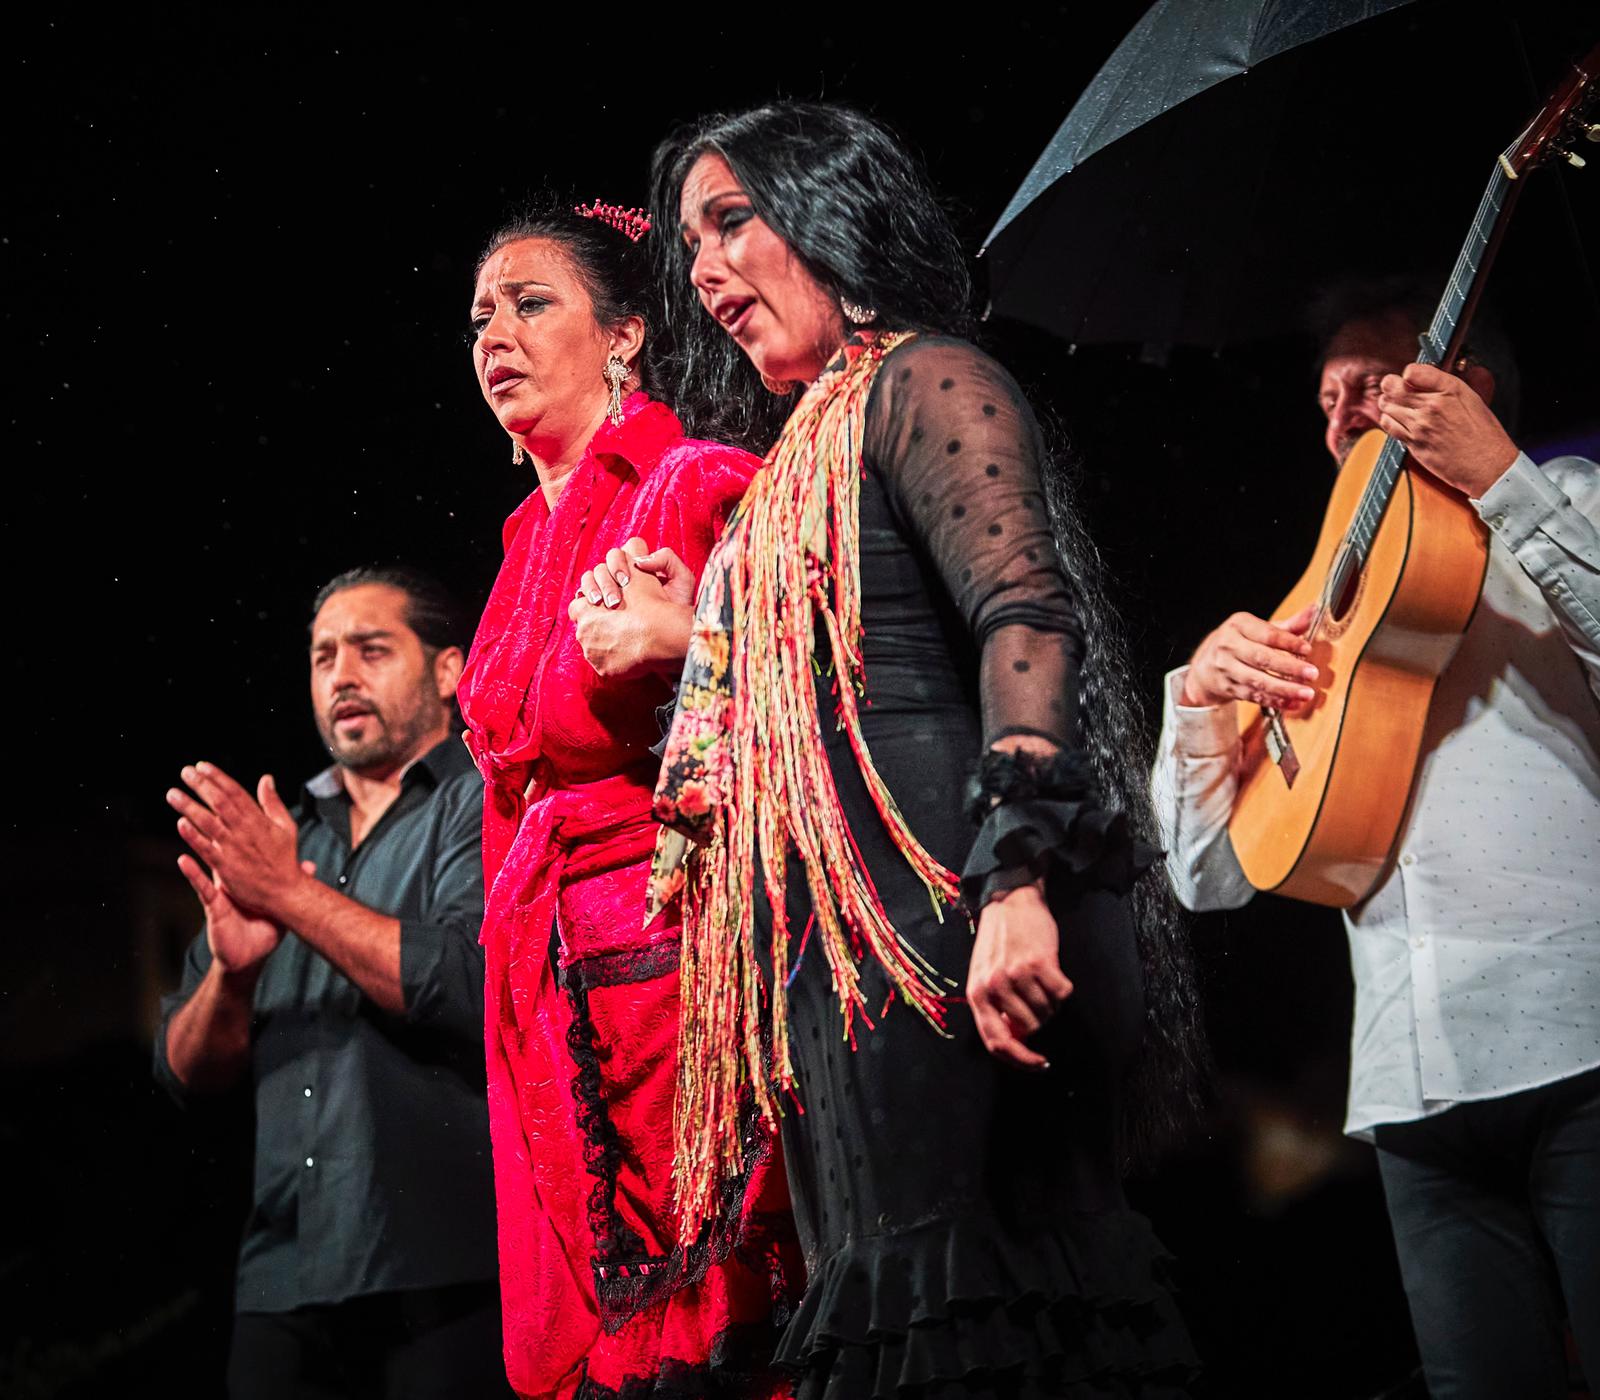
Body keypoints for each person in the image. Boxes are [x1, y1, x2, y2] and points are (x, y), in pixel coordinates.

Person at [626, 103, 1203, 1399]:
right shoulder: (800, 454)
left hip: (968, 920)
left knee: (986, 1324)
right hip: (861, 954)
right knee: (904, 1323)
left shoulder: (925, 379)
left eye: (734, 221)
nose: (706, 269)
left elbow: (1025, 616)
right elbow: (815, 682)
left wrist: (1015, 888)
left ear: (836, 214)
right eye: (691, 243)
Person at [1152, 286, 1600, 1399]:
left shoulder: (1574, 502)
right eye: (1323, 399)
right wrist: (1198, 702)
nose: (1339, 418)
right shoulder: (1317, 607)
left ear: (1462, 386)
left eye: (1367, 385)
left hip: (1581, 1043)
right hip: (1409, 1095)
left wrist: (1501, 477)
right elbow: (1206, 875)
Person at [456, 197, 800, 1400]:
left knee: (725, 1331)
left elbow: (824, 685)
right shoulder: (513, 552)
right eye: (480, 314)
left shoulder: (692, 481)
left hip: (683, 971)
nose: (493, 329)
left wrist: (691, 628)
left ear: (626, 335)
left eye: (530, 301)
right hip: (555, 996)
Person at [155, 566, 508, 1399]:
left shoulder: (481, 801)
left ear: (450, 670)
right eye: (322, 658)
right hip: (282, 1276)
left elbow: (466, 985)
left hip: (444, 1269)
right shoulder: (283, 836)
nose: (341, 675)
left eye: (371, 649)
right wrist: (233, 980)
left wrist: (290, 896)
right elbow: (181, 1071)